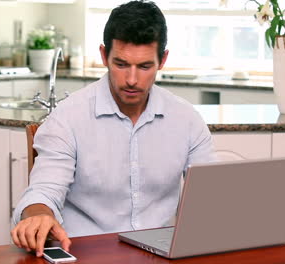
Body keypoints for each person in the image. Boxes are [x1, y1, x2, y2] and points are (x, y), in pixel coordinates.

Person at [11, 0, 216, 258]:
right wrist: (38, 214)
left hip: (160, 256)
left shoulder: (187, 120)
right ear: (103, 55)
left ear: (162, 60)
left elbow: (210, 200)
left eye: (144, 66)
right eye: (120, 64)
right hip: (86, 254)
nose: (131, 79)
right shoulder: (67, 118)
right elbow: (43, 191)